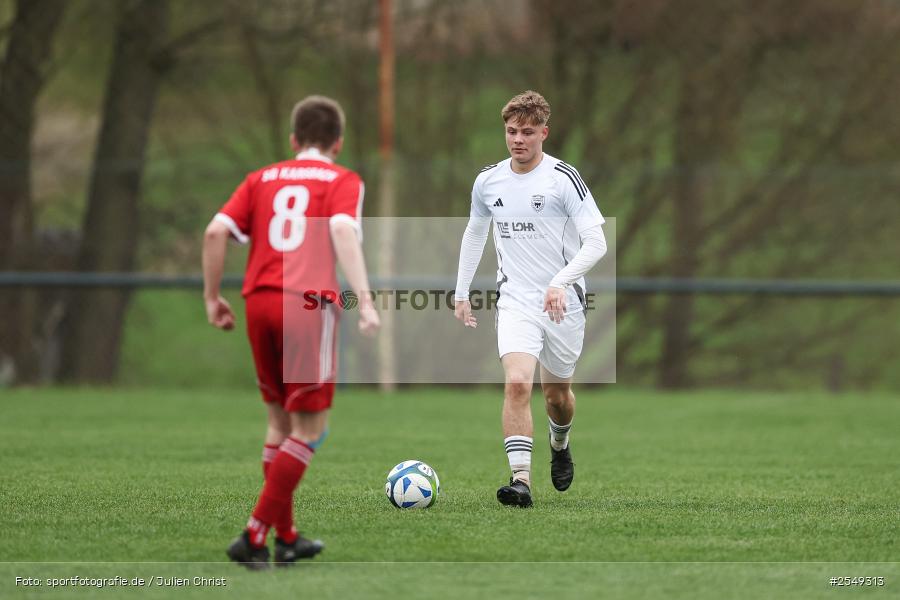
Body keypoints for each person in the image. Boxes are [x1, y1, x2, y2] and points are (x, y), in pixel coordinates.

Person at [202, 95, 379, 568]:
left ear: (293, 140)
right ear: (337, 143)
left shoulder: (259, 178)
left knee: (279, 422)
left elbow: (216, 232)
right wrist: (363, 299)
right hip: (307, 304)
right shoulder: (343, 180)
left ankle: (287, 537)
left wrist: (211, 297)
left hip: (258, 301)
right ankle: (255, 535)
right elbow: (342, 229)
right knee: (311, 429)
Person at [454, 90, 607, 508]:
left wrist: (561, 281)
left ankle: (560, 443)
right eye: (510, 131)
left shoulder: (564, 179)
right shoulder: (488, 181)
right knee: (518, 382)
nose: (517, 139)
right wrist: (461, 290)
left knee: (557, 397)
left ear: (544, 132)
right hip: (515, 300)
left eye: (526, 132)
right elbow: (474, 233)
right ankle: (520, 480)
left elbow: (597, 243)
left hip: (564, 304)